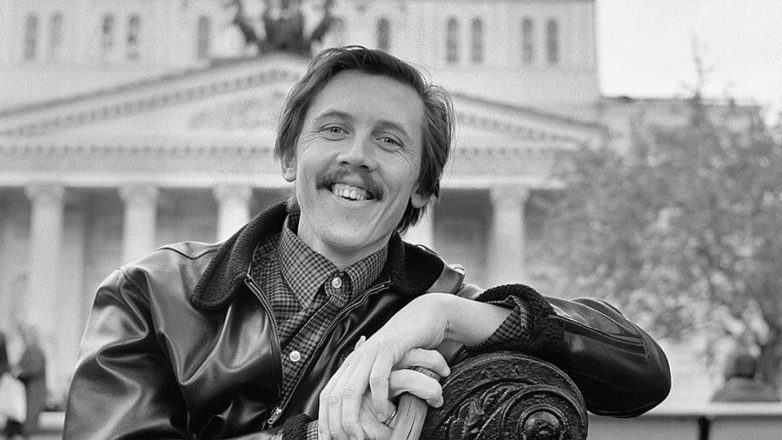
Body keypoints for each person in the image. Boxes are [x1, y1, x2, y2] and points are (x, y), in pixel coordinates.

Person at [63, 46, 670, 439]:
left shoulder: (442, 316)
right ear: (289, 156)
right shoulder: (151, 295)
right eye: (334, 129)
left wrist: (445, 313)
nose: (357, 156)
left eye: (390, 140)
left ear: (421, 189)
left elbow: (641, 372)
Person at [9, 325, 47, 439]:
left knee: (29, 422)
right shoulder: (29, 350)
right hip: (27, 391)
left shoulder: (35, 350)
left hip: (34, 391)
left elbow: (34, 369)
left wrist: (19, 373)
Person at [710, 350, 780, 403]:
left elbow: (709, 412)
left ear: (735, 368)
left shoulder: (723, 394)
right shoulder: (769, 394)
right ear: (755, 369)